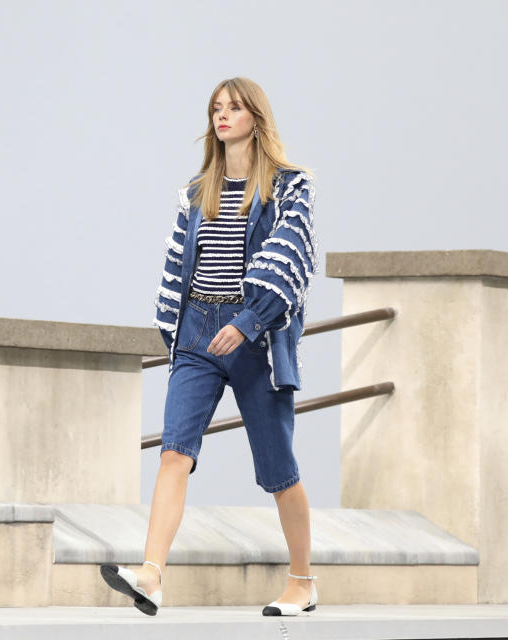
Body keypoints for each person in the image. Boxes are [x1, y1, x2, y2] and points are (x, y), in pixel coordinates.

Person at [99, 77, 320, 617]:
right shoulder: (197, 192)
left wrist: (246, 322)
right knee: (174, 451)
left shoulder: (292, 187)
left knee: (278, 467)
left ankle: (302, 582)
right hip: (197, 331)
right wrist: (176, 330)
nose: (223, 116)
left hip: (257, 341)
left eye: (235, 107)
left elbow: (289, 260)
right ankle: (151, 575)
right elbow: (179, 263)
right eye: (216, 109)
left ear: (255, 117)